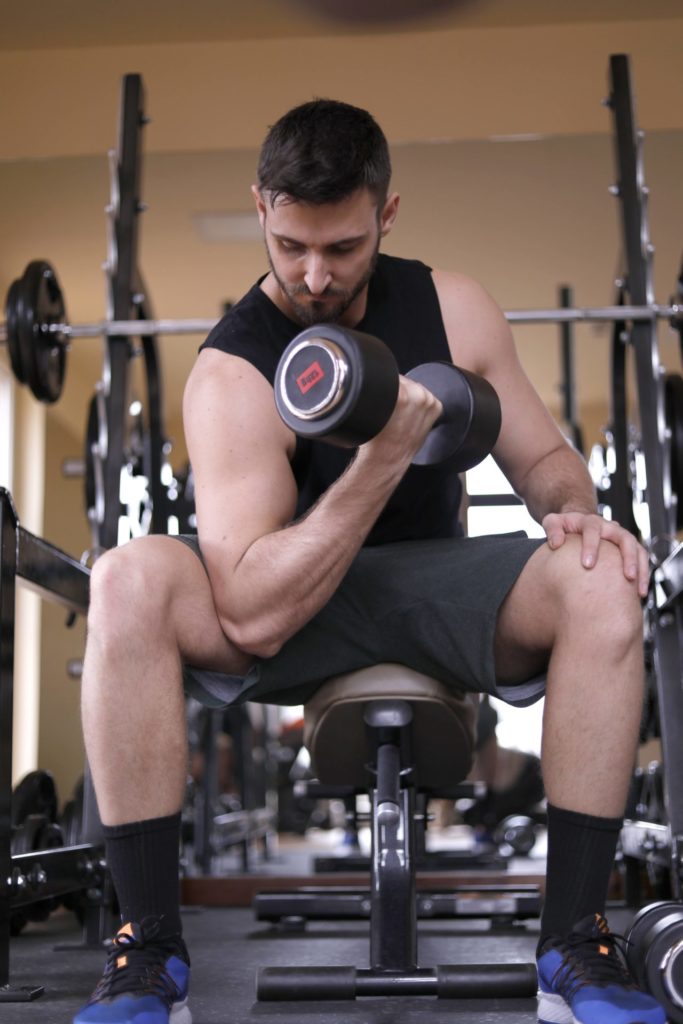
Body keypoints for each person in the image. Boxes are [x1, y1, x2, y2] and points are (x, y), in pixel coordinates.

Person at [74, 99, 664, 1024]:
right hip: (289, 608)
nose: (314, 276)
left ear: (386, 214)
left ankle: (574, 942)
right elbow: (252, 610)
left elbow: (546, 463)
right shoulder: (234, 371)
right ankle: (146, 951)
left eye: (342, 248)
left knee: (600, 579)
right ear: (261, 208)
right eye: (292, 245)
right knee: (126, 578)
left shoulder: (450, 307)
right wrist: (383, 455)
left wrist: (575, 515)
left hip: (439, 588)